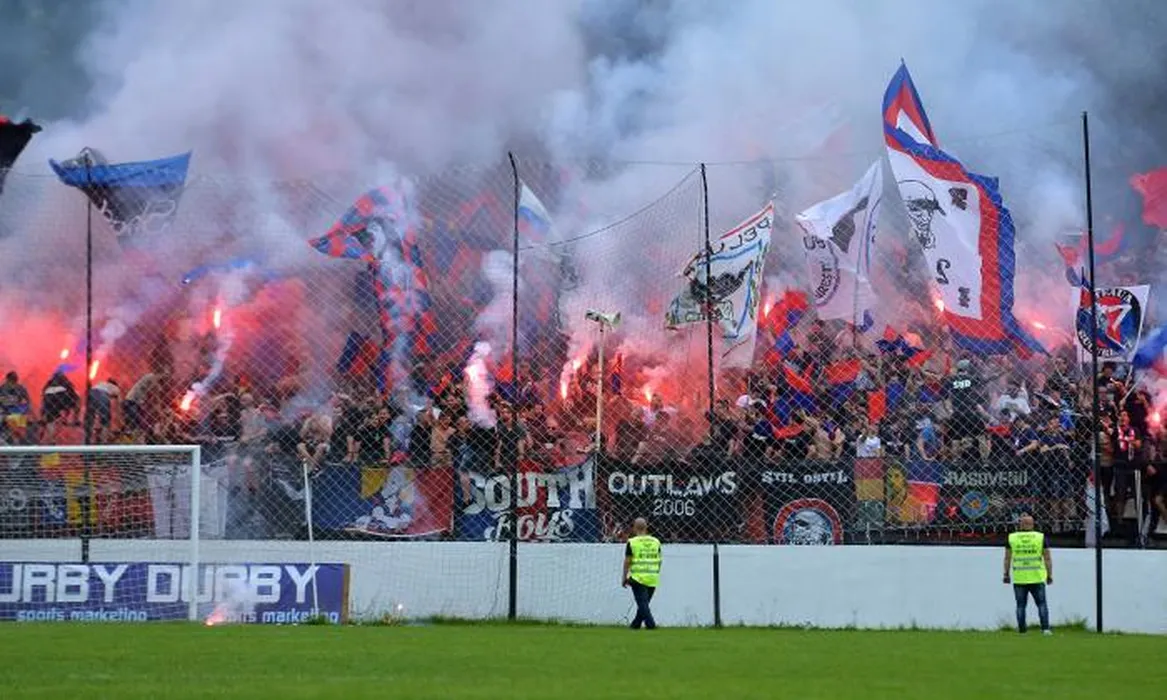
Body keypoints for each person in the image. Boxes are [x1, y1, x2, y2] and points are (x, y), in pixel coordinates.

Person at [1003, 513, 1053, 635]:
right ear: (1032, 524)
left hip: (1019, 578)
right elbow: (1047, 558)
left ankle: (1022, 630)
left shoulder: (1012, 538)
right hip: (1037, 576)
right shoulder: (1040, 537)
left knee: (1020, 606)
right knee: (1042, 604)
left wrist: (1006, 574)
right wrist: (1049, 575)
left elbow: (1007, 558)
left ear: (1020, 524)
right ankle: (1045, 629)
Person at [622, 517, 662, 630]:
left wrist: (624, 577)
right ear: (646, 527)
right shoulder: (656, 541)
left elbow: (628, 561)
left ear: (634, 528)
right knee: (644, 604)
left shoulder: (632, 542)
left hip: (638, 577)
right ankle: (635, 624)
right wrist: (656, 572)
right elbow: (660, 560)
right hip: (652, 577)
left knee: (643, 604)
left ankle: (651, 624)